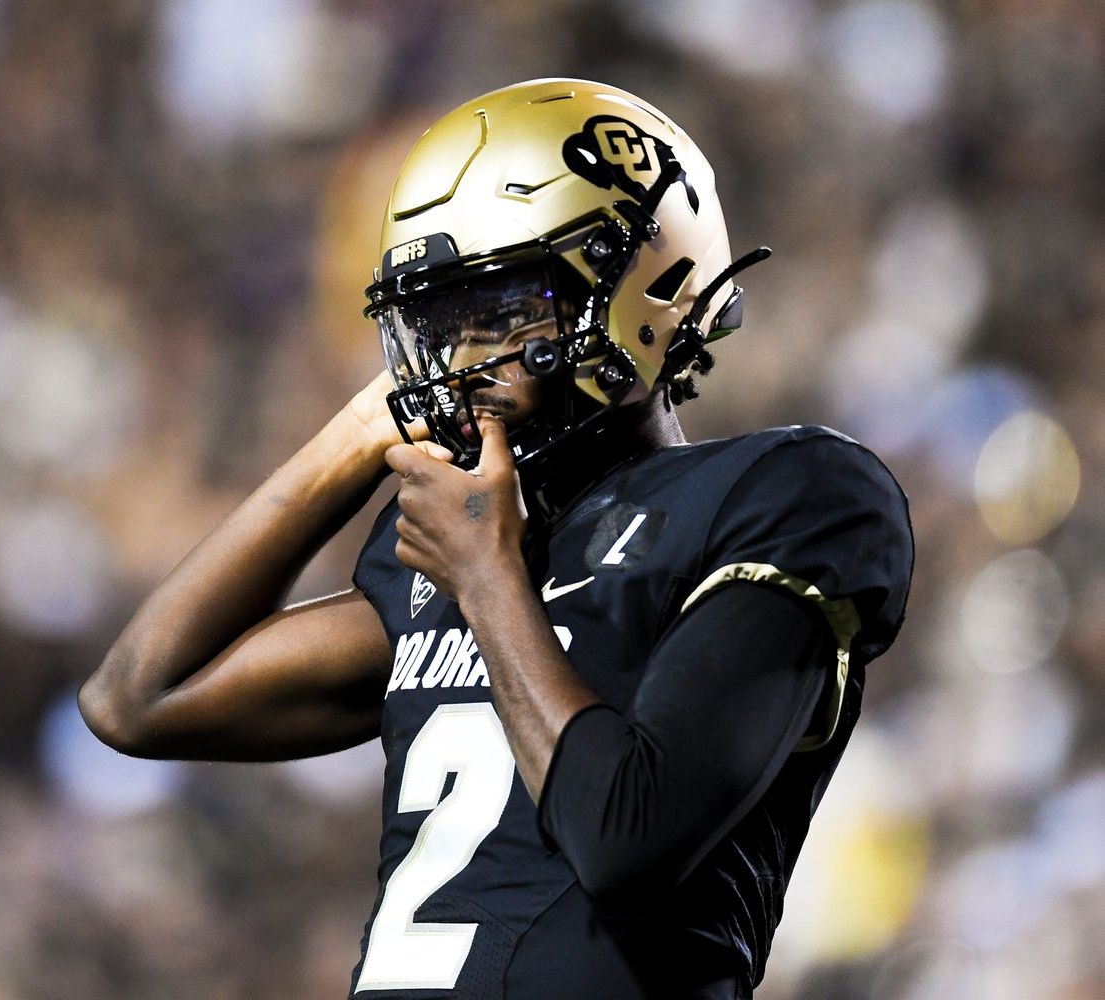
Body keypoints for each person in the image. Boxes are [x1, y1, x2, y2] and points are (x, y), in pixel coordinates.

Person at [79, 79, 914, 999]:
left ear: (648, 279)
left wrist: (486, 573)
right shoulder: (471, 541)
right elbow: (138, 698)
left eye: (506, 308)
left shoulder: (783, 493)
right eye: (441, 323)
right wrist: (363, 430)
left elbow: (626, 835)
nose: (467, 357)